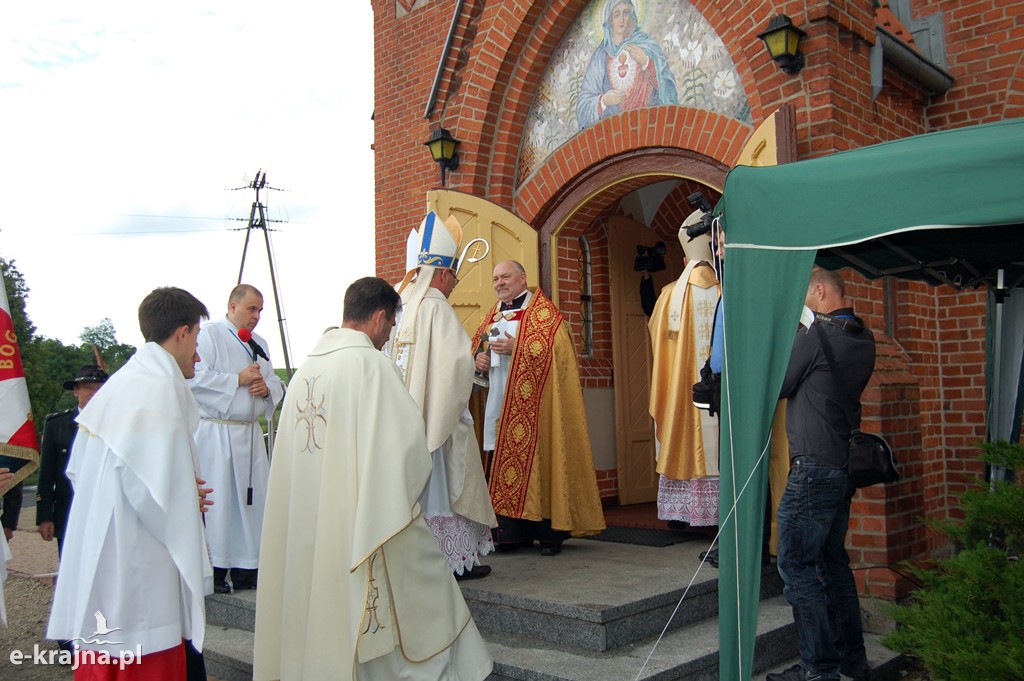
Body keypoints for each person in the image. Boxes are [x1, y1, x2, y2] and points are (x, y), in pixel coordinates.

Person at [254, 277, 492, 681]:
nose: (389, 336)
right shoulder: (372, 365)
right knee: (419, 594)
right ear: (380, 317)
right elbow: (408, 449)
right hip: (363, 522)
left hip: (310, 524)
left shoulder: (304, 372)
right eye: (391, 326)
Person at [47, 287, 215, 678]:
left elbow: (79, 470)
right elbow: (150, 493)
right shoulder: (156, 388)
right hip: (136, 560)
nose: (198, 353)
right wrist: (184, 498)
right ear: (183, 332)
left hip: (106, 547)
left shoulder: (127, 383)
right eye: (197, 340)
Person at [767, 267, 876, 681]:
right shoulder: (862, 338)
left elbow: (778, 383)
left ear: (820, 290)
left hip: (814, 467)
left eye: (804, 293)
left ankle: (819, 668)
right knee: (833, 564)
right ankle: (853, 660)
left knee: (796, 566)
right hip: (842, 465)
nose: (802, 301)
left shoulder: (817, 336)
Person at [387, 212, 497, 580]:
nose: (454, 286)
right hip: (436, 418)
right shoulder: (436, 306)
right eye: (454, 278)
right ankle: (450, 561)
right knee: (442, 488)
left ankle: (422, 557)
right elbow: (454, 367)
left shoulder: (401, 308)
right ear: (443, 274)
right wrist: (476, 364)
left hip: (403, 418)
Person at [472, 260, 605, 555]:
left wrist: (517, 347)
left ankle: (548, 535)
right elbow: (479, 350)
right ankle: (509, 535)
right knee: (498, 461)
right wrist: (478, 359)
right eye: (495, 279)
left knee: (542, 463)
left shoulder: (545, 315)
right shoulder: (492, 315)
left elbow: (559, 354)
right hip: (498, 402)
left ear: (523, 278)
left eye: (506, 277)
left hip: (538, 409)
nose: (500, 283)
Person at [189, 284, 284, 593]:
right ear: (232, 307)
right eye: (251, 309)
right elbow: (196, 379)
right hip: (218, 434)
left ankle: (248, 569)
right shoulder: (210, 336)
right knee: (222, 504)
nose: (256, 316)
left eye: (260, 310)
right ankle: (216, 570)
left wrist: (266, 389)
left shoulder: (260, 343)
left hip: (250, 435)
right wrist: (237, 380)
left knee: (253, 504)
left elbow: (273, 380)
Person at [648, 214, 720, 526]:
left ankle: (681, 519)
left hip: (683, 393)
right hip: (720, 392)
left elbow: (657, 339)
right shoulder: (728, 291)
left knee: (681, 433)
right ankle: (720, 518)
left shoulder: (668, 296)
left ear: (683, 257)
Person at [36, 364, 109, 556]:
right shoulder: (57, 425)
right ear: (75, 391)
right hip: (69, 512)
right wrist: (44, 516)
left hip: (107, 511)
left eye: (100, 388)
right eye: (87, 387)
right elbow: (47, 474)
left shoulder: (118, 423)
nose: (94, 393)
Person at [576, 0, 678, 128]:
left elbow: (667, 87)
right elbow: (584, 103)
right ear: (610, 21)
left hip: (649, 124)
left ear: (632, 15)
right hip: (615, 132)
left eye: (626, 13)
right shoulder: (601, 55)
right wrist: (604, 100)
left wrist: (647, 63)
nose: (622, 19)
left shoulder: (645, 44)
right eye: (617, 15)